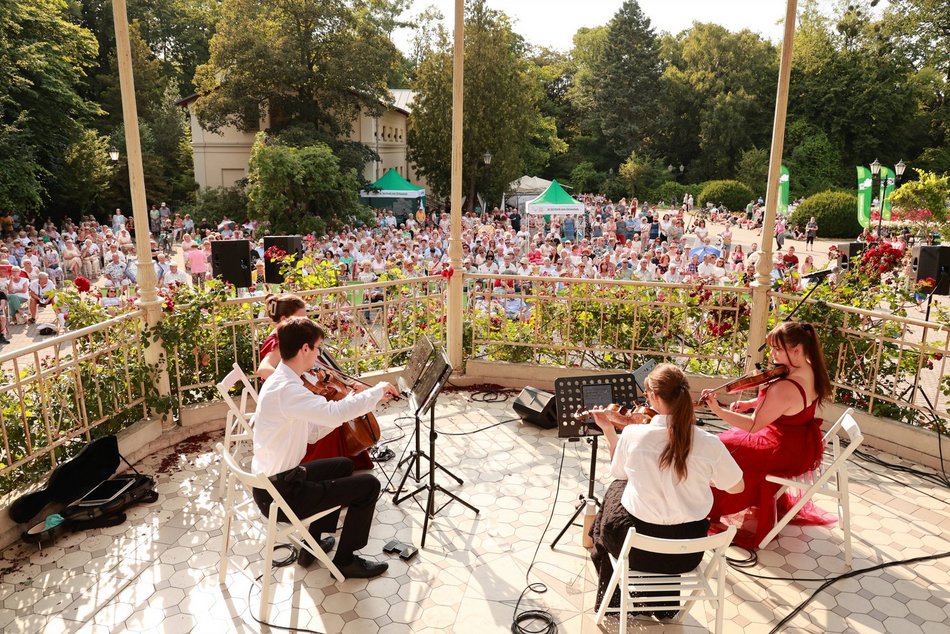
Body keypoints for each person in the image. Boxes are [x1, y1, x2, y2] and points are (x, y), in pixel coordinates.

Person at [589, 364, 743, 615]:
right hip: (686, 555)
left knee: (616, 489)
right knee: (625, 492)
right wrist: (706, 480)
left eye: (647, 394)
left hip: (636, 551)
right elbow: (737, 487)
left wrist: (609, 431)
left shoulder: (633, 433)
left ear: (656, 397)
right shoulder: (710, 443)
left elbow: (619, 473)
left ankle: (616, 601)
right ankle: (661, 605)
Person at [251, 316, 399, 578]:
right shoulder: (288, 389)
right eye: (318, 347)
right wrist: (375, 392)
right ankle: (345, 561)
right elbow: (333, 414)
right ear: (305, 349)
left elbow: (312, 432)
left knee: (342, 465)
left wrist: (350, 402)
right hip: (282, 493)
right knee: (369, 486)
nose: (319, 354)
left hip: (274, 482)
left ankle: (313, 543)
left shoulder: (284, 382)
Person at [700, 321, 835, 549]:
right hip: (798, 442)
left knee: (722, 445)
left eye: (777, 349)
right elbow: (784, 406)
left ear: (797, 350)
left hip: (781, 449)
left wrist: (717, 410)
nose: (772, 355)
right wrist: (752, 402)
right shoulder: (809, 368)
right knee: (728, 442)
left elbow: (753, 426)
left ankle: (708, 507)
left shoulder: (784, 388)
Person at [258, 294, 374, 470]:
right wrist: (297, 382)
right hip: (290, 406)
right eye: (302, 317)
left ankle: (339, 464)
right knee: (329, 415)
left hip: (292, 401)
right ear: (284, 319)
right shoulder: (280, 342)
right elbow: (263, 368)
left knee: (331, 411)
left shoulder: (292, 338)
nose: (306, 321)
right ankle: (327, 466)